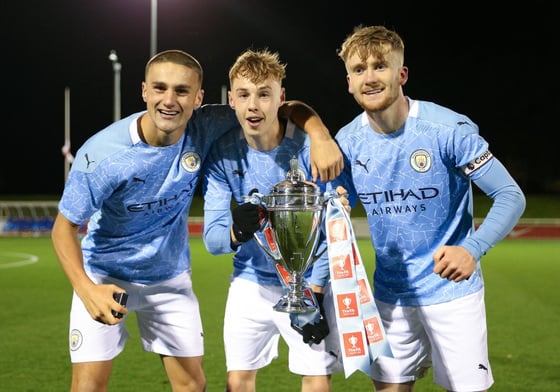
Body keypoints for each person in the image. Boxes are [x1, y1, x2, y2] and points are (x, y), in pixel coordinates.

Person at [50, 49, 343, 392]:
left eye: (182, 91)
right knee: (87, 388)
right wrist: (86, 291)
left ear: (199, 98)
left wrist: (319, 133)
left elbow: (281, 105)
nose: (169, 100)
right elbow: (63, 228)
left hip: (170, 279)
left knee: (193, 385)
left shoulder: (209, 124)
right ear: (144, 91)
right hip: (106, 275)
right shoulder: (102, 155)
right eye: (160, 89)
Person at [331, 25, 526, 392]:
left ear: (401, 74)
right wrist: (337, 203)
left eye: (380, 66)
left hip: (452, 294)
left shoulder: (446, 129)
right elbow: (343, 199)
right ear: (349, 82)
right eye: (359, 70)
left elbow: (510, 195)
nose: (369, 78)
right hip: (390, 296)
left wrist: (472, 249)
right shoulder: (347, 141)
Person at [202, 48, 343, 392]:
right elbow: (213, 240)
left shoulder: (313, 148)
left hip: (308, 283)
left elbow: (331, 229)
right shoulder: (222, 153)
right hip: (249, 281)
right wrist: (237, 230)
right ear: (231, 99)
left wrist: (317, 291)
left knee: (316, 379)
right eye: (245, 95)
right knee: (237, 380)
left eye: (264, 94)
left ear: (281, 98)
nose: (254, 105)